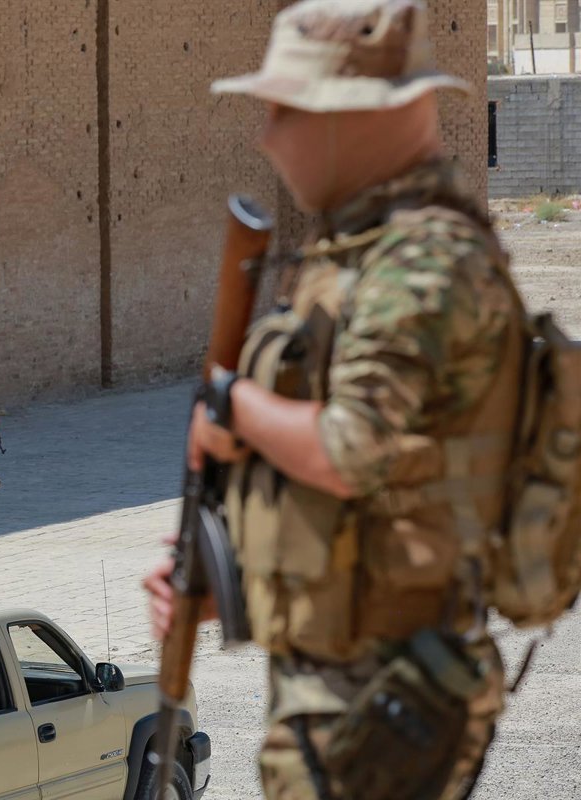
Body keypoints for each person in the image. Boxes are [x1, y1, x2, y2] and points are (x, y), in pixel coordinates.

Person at [145, 2, 522, 798]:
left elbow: (359, 452)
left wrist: (231, 405)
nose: (267, 137)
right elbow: (385, 513)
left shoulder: (422, 263)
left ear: (351, 116)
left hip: (384, 701)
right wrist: (229, 587)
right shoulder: (372, 254)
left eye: (286, 112)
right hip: (360, 683)